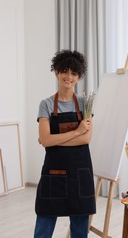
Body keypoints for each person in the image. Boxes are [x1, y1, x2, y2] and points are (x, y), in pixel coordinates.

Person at [34, 49, 96, 238]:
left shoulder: (86, 103)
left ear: (79, 77)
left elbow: (86, 139)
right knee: (44, 223)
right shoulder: (45, 104)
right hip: (54, 174)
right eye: (65, 71)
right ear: (56, 72)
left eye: (74, 73)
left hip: (80, 174)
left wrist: (54, 140)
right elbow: (46, 140)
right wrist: (76, 132)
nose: (69, 77)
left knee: (79, 226)